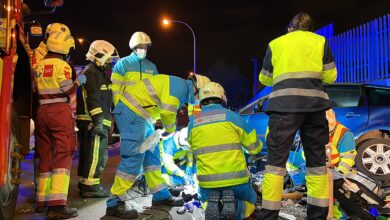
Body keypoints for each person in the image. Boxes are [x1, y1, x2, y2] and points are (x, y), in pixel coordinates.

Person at [258, 12, 337, 219]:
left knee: (275, 164)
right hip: (314, 107)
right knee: (317, 164)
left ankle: (269, 215)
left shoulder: (276, 43)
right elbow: (331, 76)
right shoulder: (320, 41)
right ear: (311, 29)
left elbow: (264, 79)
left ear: (290, 28)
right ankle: (317, 215)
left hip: (284, 107)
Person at [106, 73, 209, 219]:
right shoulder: (179, 88)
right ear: (196, 89)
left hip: (142, 116)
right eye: (200, 95)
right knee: (134, 158)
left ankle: (160, 195)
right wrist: (170, 130)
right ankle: (114, 202)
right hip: (132, 113)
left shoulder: (181, 89)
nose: (199, 99)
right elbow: (167, 112)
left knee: (152, 158)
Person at [188, 82, 263, 220]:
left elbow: (193, 148)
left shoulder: (193, 122)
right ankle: (236, 205)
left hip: (207, 182)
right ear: (222, 97)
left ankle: (214, 204)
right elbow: (255, 148)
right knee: (252, 201)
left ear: (201, 100)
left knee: (204, 200)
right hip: (237, 180)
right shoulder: (233, 117)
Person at [34, 31, 86, 219]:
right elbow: (67, 90)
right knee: (64, 153)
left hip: (41, 112)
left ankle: (42, 202)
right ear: (64, 48)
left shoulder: (39, 66)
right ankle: (57, 206)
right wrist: (79, 81)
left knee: (46, 155)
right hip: (58, 111)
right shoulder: (62, 65)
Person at [76, 40, 119, 198]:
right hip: (94, 121)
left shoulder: (95, 72)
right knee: (96, 155)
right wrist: (99, 121)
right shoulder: (92, 72)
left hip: (90, 120)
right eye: (108, 60)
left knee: (87, 154)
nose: (109, 63)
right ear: (99, 56)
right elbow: (93, 98)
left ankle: (84, 182)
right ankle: (90, 188)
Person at [287, 109, 357, 187]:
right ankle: (300, 186)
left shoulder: (345, 134)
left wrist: (339, 175)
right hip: (308, 168)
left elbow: (347, 159)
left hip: (332, 170)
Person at [111, 31, 158, 106]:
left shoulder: (152, 66)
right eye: (140, 46)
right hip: (127, 107)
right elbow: (115, 87)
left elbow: (156, 88)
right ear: (134, 47)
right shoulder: (123, 63)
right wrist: (118, 105)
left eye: (145, 47)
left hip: (147, 109)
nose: (143, 49)